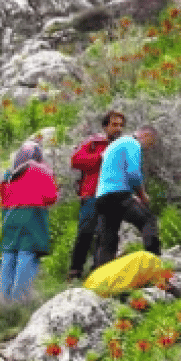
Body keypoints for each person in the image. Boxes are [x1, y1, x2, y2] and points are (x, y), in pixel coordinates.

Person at [67, 111, 126, 281]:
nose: (118, 128)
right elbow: (76, 161)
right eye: (114, 125)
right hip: (91, 195)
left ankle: (99, 273)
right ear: (105, 126)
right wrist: (100, 157)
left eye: (121, 125)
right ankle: (75, 271)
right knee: (85, 232)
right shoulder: (93, 143)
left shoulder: (123, 147)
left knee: (107, 235)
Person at [93, 125, 161, 269]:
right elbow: (133, 173)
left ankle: (103, 275)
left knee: (108, 238)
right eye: (150, 143)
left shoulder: (115, 144)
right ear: (146, 135)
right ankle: (154, 264)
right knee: (148, 221)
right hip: (118, 194)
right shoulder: (132, 143)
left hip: (102, 196)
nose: (147, 148)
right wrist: (142, 195)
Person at [0, 142, 59, 303]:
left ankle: (5, 302)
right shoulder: (41, 169)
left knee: (9, 256)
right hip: (32, 217)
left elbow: (3, 196)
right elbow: (51, 197)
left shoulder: (9, 173)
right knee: (27, 254)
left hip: (9, 217)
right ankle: (20, 300)